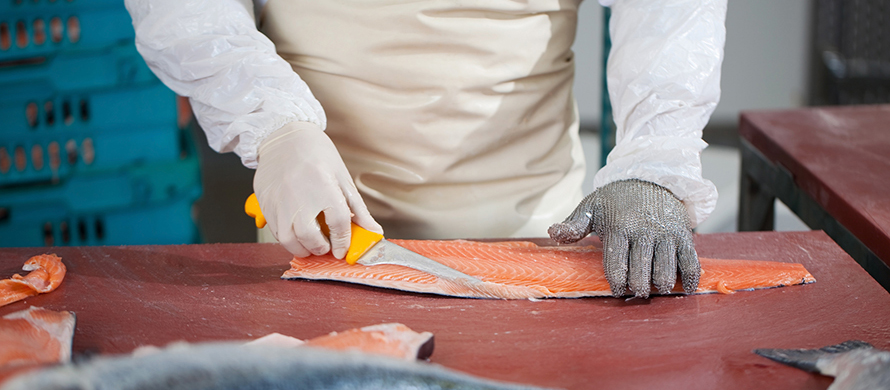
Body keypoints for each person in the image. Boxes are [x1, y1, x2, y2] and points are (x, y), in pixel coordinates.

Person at [125, 0, 727, 298]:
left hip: (538, 241)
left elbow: (671, 13)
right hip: (323, 246)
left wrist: (655, 157)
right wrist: (274, 126)